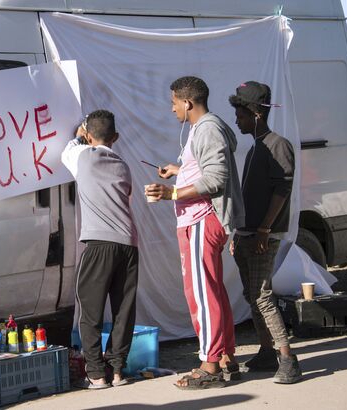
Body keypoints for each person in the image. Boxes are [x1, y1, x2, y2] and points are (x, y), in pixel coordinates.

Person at [145, 76, 245, 389]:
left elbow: (216, 178)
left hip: (202, 220)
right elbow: (204, 169)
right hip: (198, 220)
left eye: (174, 102)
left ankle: (210, 365)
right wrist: (178, 172)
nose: (172, 108)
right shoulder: (200, 130)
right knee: (210, 291)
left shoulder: (208, 128)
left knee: (201, 294)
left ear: (188, 102)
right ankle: (225, 357)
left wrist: (171, 193)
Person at [228, 81, 302, 384]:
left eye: (241, 115)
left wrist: (263, 229)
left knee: (261, 295)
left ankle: (287, 358)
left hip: (263, 234)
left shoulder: (278, 145)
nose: (237, 120)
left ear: (256, 114)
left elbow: (282, 189)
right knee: (251, 294)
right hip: (248, 233)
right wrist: (239, 232)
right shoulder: (255, 149)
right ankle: (267, 351)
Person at [61, 110, 139, 389]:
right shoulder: (124, 165)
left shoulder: (82, 157)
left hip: (97, 243)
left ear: (88, 135)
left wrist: (80, 134)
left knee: (90, 311)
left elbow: (69, 147)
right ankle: (118, 372)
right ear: (115, 137)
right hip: (128, 244)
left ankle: (95, 375)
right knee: (123, 310)